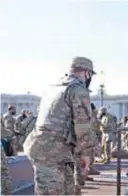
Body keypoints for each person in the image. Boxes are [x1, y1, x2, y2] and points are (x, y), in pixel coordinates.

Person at [23, 56, 96, 195]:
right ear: (87, 73)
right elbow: (83, 127)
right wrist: (86, 155)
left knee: (67, 191)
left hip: (50, 150)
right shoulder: (78, 90)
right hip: (52, 153)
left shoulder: (52, 89)